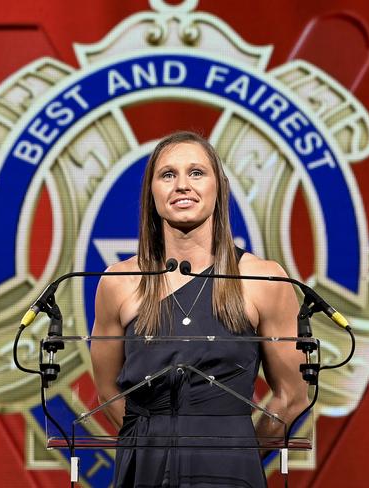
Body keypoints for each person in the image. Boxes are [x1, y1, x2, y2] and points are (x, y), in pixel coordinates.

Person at [90, 131, 308, 487]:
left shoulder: (263, 279)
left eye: (196, 173)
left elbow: (292, 396)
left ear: (217, 187)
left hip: (230, 470)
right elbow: (106, 392)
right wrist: (148, 447)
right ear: (152, 193)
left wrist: (236, 451)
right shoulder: (119, 281)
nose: (182, 186)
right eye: (168, 175)